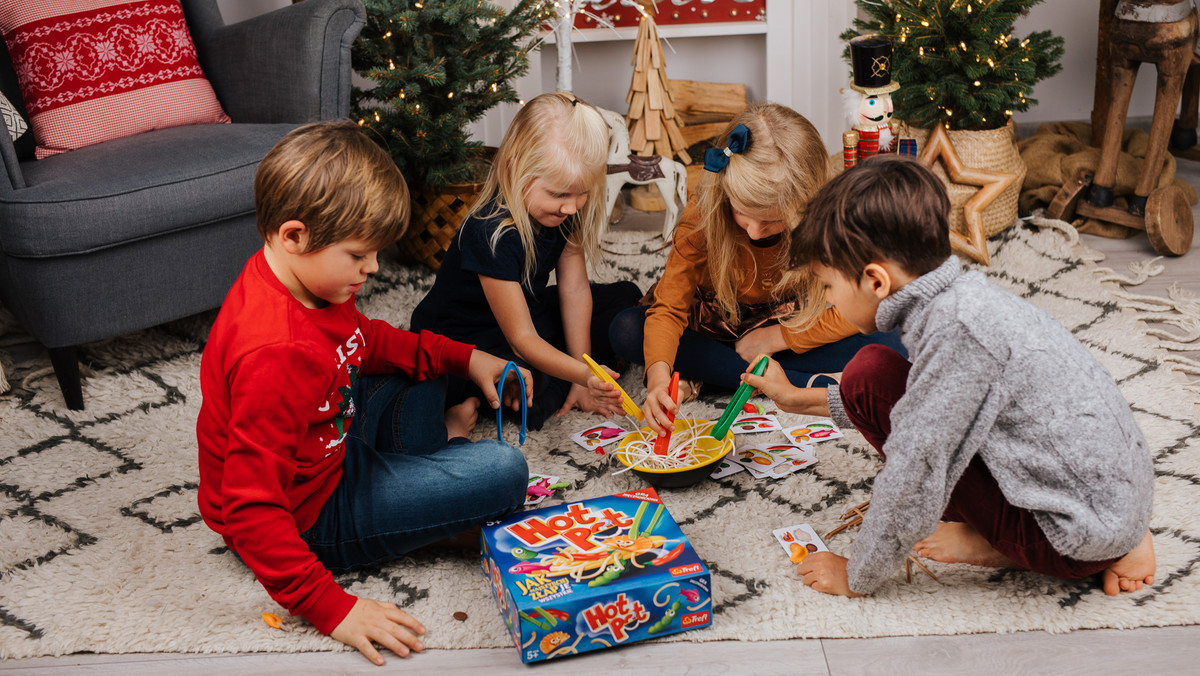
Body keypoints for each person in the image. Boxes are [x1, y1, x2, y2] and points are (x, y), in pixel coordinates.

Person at [742, 154, 1156, 598]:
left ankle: (1011, 545)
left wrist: (858, 574)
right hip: (1111, 502)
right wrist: (795, 399)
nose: (828, 302)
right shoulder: (961, 299)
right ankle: (1116, 537)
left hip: (1070, 539)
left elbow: (914, 474)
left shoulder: (957, 334)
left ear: (876, 281)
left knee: (903, 431)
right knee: (869, 373)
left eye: (826, 286)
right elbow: (910, 399)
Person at [196, 121, 532, 666]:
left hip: (331, 439)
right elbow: (250, 508)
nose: (373, 268)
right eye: (359, 255)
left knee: (432, 366)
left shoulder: (298, 278)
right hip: (310, 516)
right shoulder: (275, 353)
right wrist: (333, 608)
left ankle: (428, 456)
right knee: (503, 471)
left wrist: (464, 358)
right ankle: (432, 496)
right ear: (294, 235)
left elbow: (362, 340)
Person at [608, 102, 905, 436]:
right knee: (627, 330)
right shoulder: (703, 213)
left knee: (892, 342)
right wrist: (658, 380)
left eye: (772, 221)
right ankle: (780, 381)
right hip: (710, 325)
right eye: (741, 213)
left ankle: (725, 377)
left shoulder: (828, 219)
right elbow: (669, 309)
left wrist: (778, 337)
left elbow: (859, 307)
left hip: (785, 325)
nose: (753, 232)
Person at [410, 92, 641, 430]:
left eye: (582, 192)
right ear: (514, 168)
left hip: (524, 311)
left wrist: (580, 374)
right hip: (467, 339)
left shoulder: (568, 212)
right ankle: (473, 397)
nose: (572, 206)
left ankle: (558, 375)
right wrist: (584, 371)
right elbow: (522, 338)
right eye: (559, 194)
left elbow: (574, 291)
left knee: (625, 297)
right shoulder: (489, 231)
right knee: (533, 392)